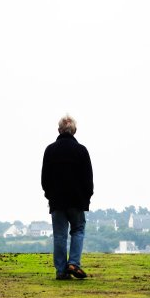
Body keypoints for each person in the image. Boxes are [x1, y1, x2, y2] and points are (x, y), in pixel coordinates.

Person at [41, 114, 94, 280]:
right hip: (77, 201)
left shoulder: (50, 150)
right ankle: (73, 264)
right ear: (75, 131)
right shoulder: (81, 151)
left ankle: (61, 271)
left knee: (59, 235)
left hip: (57, 201)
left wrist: (50, 195)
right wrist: (87, 197)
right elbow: (88, 179)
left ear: (59, 130)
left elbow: (44, 179)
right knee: (78, 231)